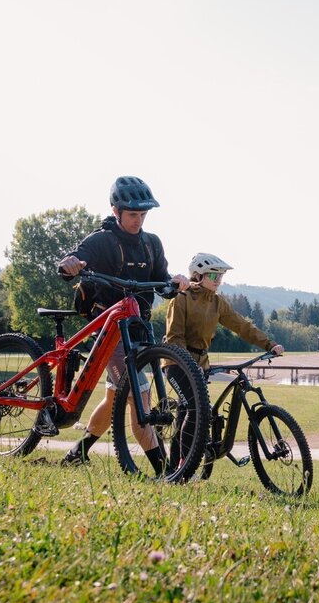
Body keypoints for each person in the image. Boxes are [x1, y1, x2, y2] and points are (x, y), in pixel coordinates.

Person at [56, 176, 190, 470]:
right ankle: (164, 470)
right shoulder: (101, 240)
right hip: (110, 329)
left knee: (115, 396)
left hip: (140, 328)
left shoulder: (152, 244)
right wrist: (70, 265)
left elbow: (162, 282)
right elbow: (77, 258)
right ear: (116, 212)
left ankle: (77, 454)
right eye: (132, 214)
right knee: (137, 397)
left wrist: (176, 283)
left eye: (143, 215)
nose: (138, 220)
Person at [164, 252, 284, 372]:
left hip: (201, 363)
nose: (218, 280)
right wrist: (188, 365)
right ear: (198, 275)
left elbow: (242, 326)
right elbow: (175, 337)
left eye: (220, 276)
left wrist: (270, 345)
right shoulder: (181, 297)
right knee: (190, 391)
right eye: (212, 276)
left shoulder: (217, 302)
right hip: (177, 363)